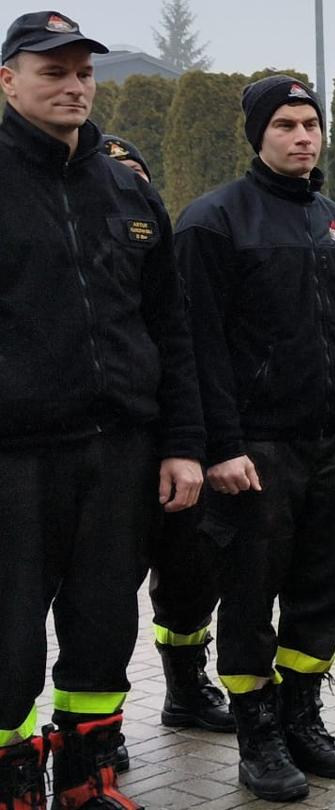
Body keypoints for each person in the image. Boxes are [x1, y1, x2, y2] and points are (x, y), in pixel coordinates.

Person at [172, 74, 335, 802]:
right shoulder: (214, 222)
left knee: (327, 591)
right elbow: (197, 346)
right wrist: (220, 446)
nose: (303, 137)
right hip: (257, 451)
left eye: (311, 124)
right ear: (258, 135)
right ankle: (258, 735)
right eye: (285, 126)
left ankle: (302, 718)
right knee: (249, 597)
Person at [0, 11, 204, 809]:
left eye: (83, 72)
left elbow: (171, 327)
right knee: (7, 628)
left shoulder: (127, 186)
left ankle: (89, 778)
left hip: (120, 450)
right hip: (15, 456)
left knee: (102, 622)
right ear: (8, 80)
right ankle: (12, 782)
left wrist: (182, 443)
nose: (74, 86)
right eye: (53, 72)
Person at [95, 131, 237, 745]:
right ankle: (97, 726)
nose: (129, 187)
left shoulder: (173, 254)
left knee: (191, 577)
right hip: (115, 449)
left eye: (138, 177)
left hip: (183, 444)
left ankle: (186, 688)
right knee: (100, 595)